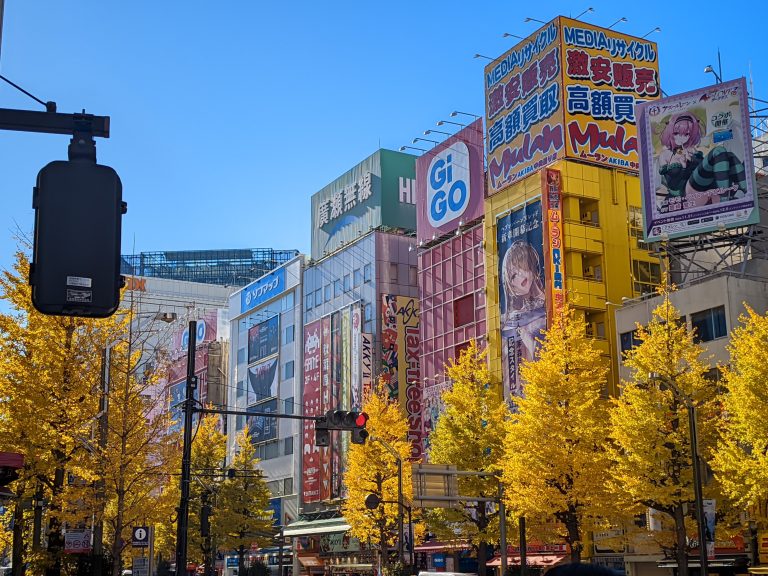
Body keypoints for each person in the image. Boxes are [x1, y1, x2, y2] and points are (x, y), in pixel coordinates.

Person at [657, 112, 748, 212]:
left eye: (686, 134)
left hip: (703, 187)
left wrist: (730, 133)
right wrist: (683, 166)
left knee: (728, 155)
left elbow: (710, 145)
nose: (681, 137)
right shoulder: (665, 154)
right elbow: (672, 182)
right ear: (670, 132)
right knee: (719, 151)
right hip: (685, 192)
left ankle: (744, 191)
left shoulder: (692, 150)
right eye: (676, 133)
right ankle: (724, 200)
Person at [500, 241, 546, 363]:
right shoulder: (512, 319)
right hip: (533, 374)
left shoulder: (551, 298)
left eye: (523, 267)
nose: (520, 277)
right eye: (513, 276)